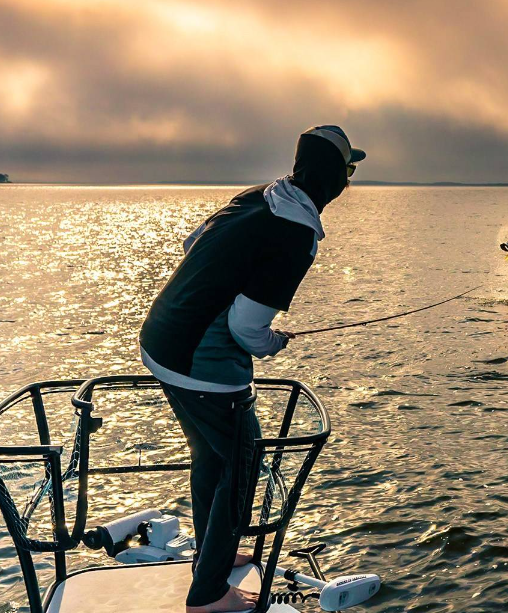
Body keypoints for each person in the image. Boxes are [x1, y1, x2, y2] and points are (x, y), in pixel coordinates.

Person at [138, 126, 364, 613]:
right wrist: (271, 343)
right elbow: (246, 327)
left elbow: (191, 241)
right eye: (348, 171)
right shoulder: (297, 232)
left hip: (160, 341)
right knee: (242, 465)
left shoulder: (258, 196)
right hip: (203, 366)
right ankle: (208, 595)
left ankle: (210, 556)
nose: (349, 180)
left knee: (211, 459)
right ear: (334, 179)